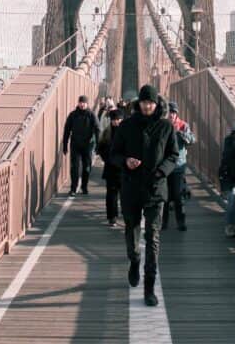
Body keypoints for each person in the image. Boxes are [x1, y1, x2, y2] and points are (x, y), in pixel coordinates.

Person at [110, 84, 178, 307]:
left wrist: (161, 171)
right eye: (144, 102)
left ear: (156, 103)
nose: (148, 106)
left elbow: (173, 155)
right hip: (131, 187)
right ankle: (134, 259)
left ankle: (149, 288)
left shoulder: (166, 127)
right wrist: (125, 161)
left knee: (153, 237)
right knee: (131, 230)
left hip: (155, 189)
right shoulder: (127, 126)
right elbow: (114, 154)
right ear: (138, 103)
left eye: (151, 102)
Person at [161, 100, 194, 232]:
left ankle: (181, 222)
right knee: (164, 196)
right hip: (164, 165)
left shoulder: (183, 125)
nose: (171, 115)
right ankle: (163, 223)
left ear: (176, 114)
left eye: (174, 112)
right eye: (170, 112)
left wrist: (183, 135)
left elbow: (192, 139)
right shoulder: (162, 125)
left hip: (178, 166)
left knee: (178, 195)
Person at [63, 94, 100, 196]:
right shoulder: (73, 115)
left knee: (86, 167)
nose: (82, 104)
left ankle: (84, 187)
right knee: (74, 167)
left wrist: (98, 145)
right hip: (75, 144)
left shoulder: (91, 115)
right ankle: (73, 188)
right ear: (78, 103)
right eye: (80, 102)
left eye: (84, 103)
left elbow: (97, 129)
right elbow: (66, 130)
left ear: (87, 104)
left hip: (88, 145)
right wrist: (65, 145)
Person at [96, 108, 124, 227]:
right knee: (111, 194)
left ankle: (125, 213)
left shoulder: (127, 132)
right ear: (111, 120)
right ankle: (112, 217)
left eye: (119, 119)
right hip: (111, 168)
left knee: (125, 193)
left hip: (124, 168)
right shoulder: (107, 133)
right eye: (114, 120)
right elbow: (100, 148)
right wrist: (107, 158)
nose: (117, 122)